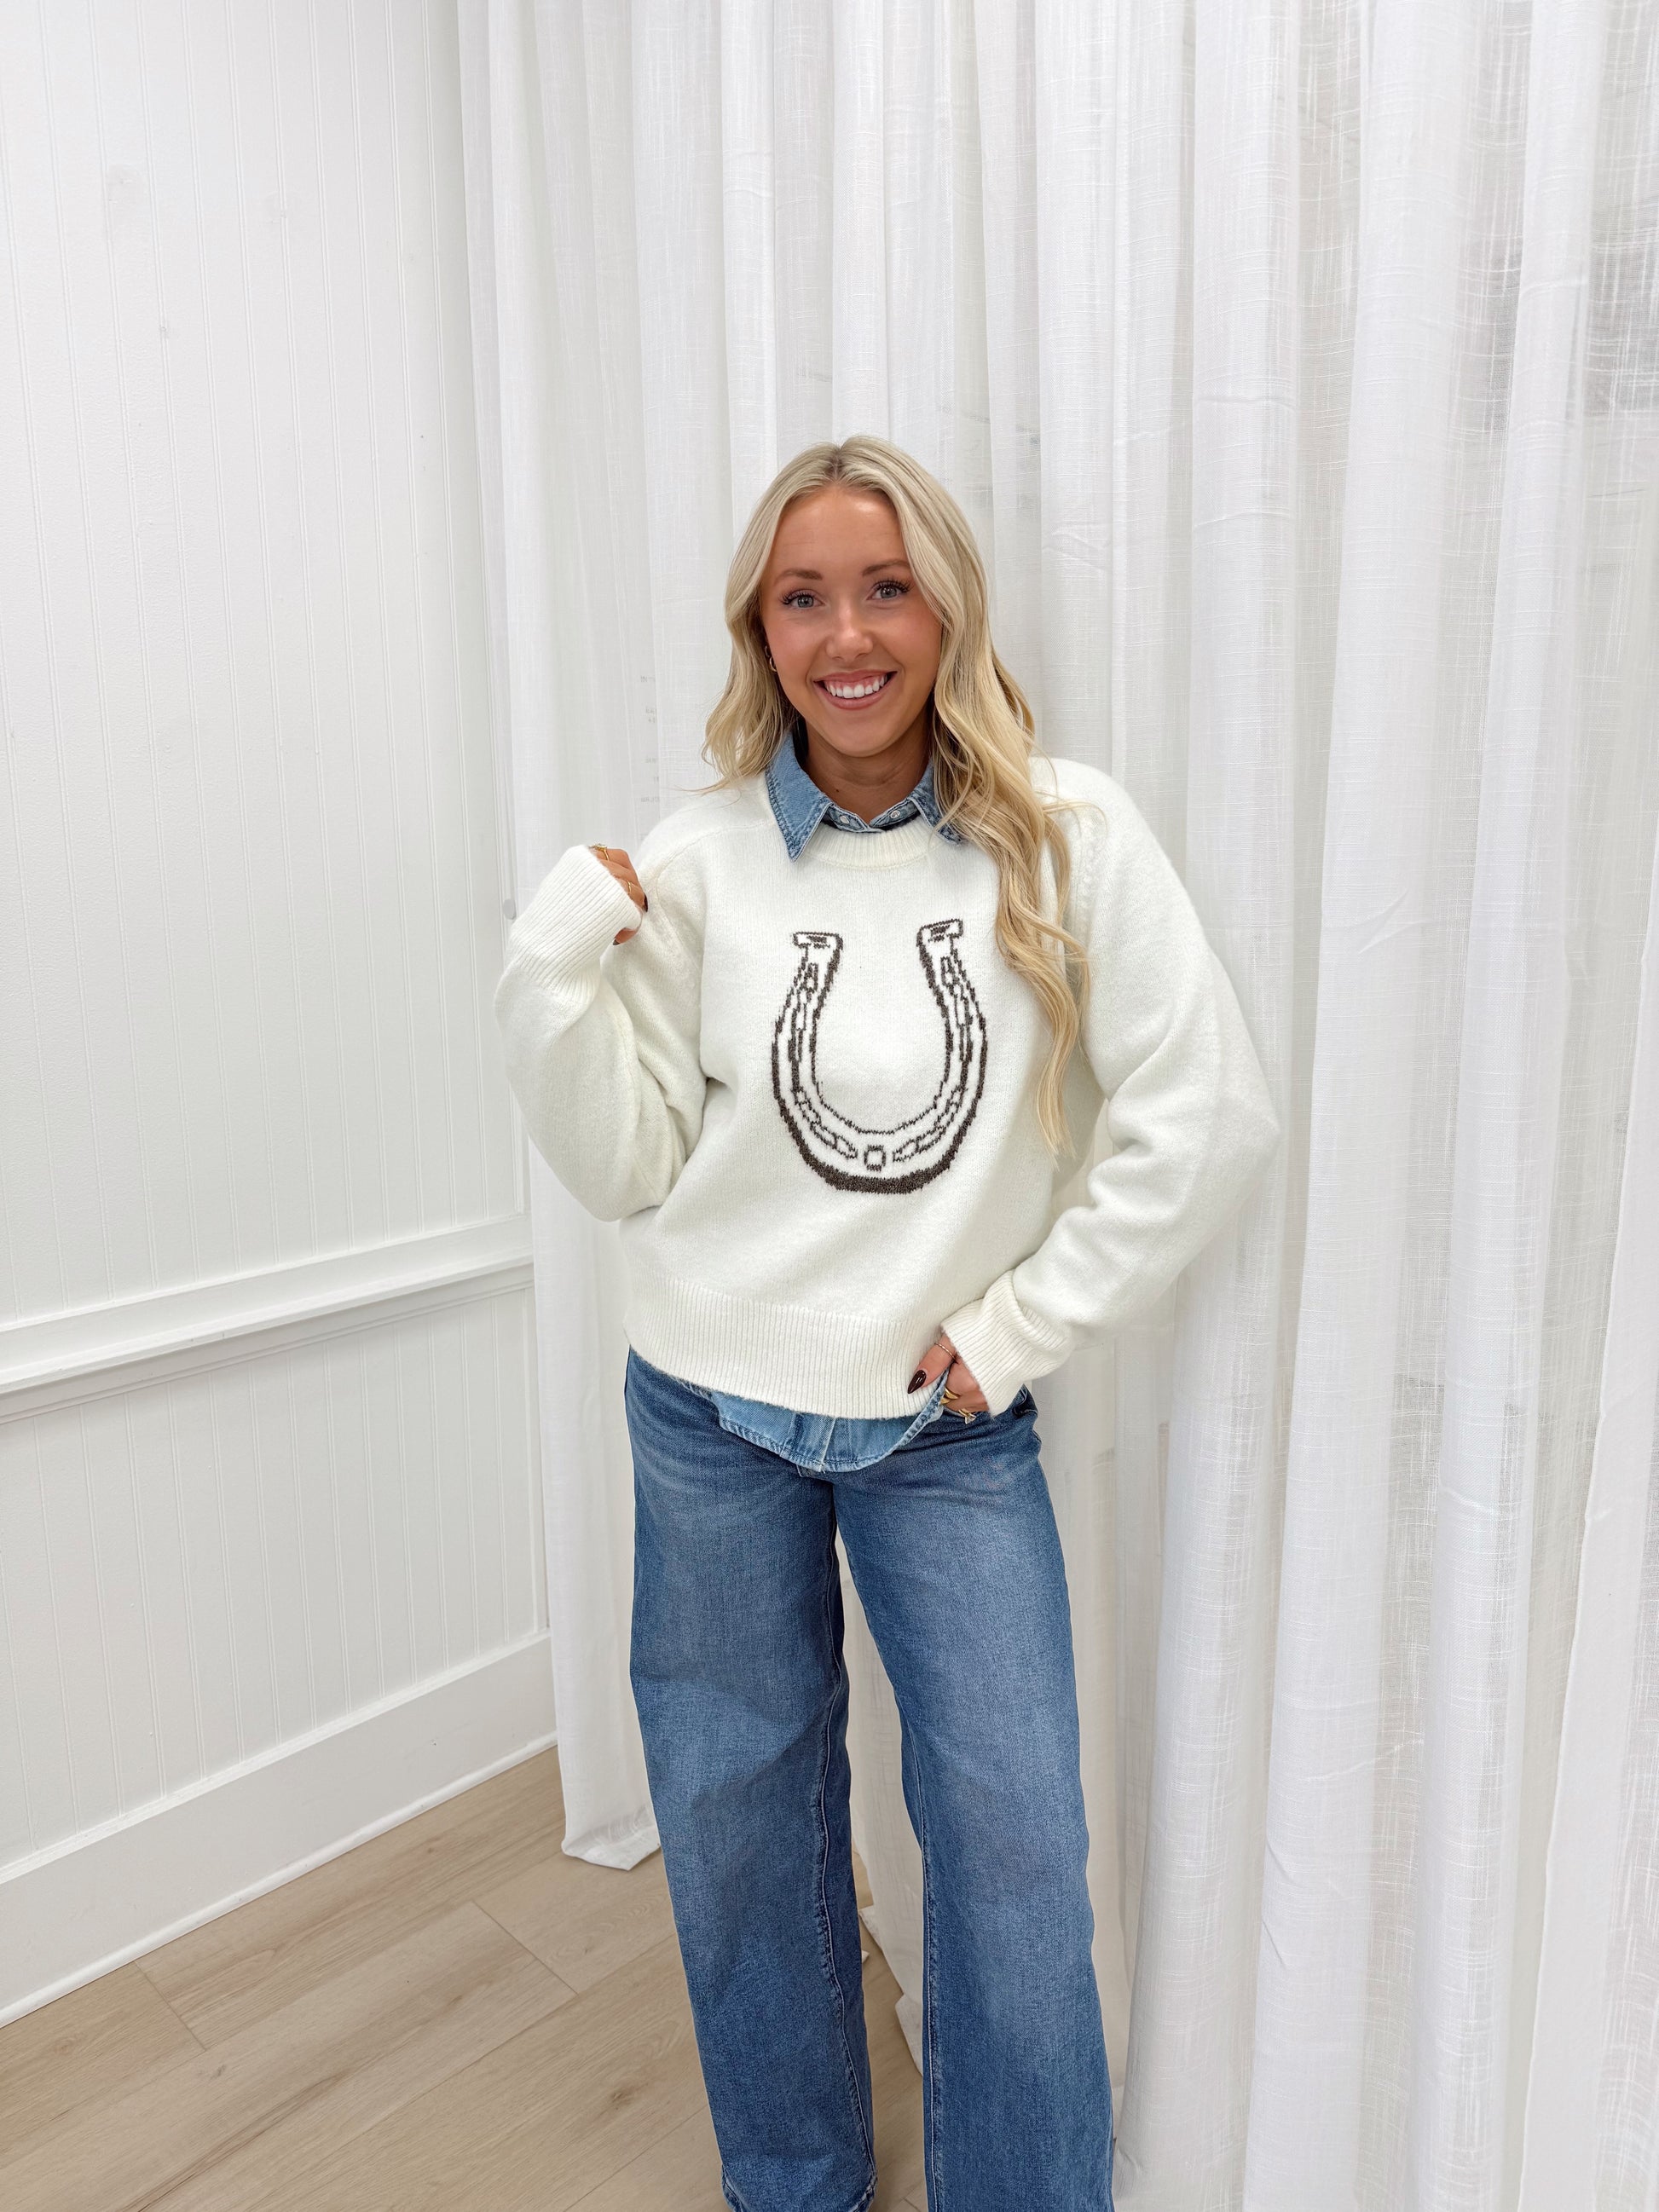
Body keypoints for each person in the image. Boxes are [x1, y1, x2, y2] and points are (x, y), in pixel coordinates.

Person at [493, 434, 1280, 2212]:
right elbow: (627, 1165)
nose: (846, 635)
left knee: (1014, 1853)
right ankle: (796, 2184)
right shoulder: (698, 862)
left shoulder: (1065, 836)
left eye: (884, 588)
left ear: (945, 609)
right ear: (759, 631)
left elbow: (1207, 1112)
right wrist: (548, 971)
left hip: (943, 1427)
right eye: (802, 598)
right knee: (738, 1828)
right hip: (704, 1412)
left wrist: (1022, 1320)